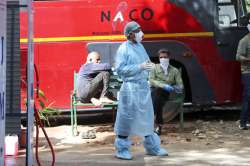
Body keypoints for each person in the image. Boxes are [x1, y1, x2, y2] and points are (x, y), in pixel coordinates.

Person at [114, 21, 168, 160]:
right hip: (130, 88)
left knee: (147, 117)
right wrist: (140, 67)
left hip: (143, 87)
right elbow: (120, 70)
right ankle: (122, 149)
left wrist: (150, 67)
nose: (141, 32)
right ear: (130, 33)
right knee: (126, 118)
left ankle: (152, 147)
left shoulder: (140, 46)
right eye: (138, 30)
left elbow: (146, 62)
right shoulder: (123, 49)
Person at [149, 49, 184, 135]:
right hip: (153, 91)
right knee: (158, 96)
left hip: (166, 92)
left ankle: (151, 121)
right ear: (159, 58)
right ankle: (159, 126)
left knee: (158, 97)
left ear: (169, 58)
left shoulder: (174, 71)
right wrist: (163, 85)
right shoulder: (154, 68)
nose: (163, 59)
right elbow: (151, 80)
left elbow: (181, 85)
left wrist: (173, 87)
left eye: (165, 57)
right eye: (161, 57)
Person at [236, 24, 250, 130]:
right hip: (247, 72)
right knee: (247, 96)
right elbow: (238, 56)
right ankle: (242, 122)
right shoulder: (244, 41)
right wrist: (248, 59)